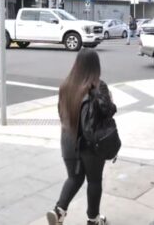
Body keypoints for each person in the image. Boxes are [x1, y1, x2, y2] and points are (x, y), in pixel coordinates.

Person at [47, 49, 116, 225]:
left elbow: (61, 114)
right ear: (96, 66)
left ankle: (59, 211)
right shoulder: (98, 86)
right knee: (94, 180)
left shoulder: (65, 86)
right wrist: (110, 101)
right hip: (90, 144)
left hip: (68, 140)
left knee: (74, 177)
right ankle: (93, 220)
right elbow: (107, 112)